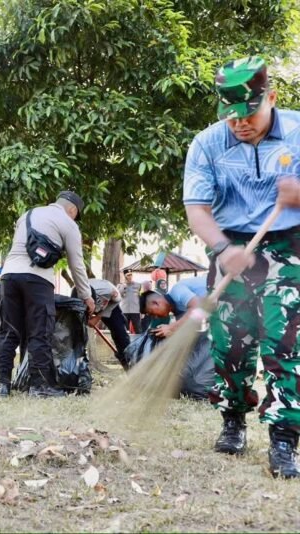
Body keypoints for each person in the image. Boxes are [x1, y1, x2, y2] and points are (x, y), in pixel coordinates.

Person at [183, 56, 300, 477]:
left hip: (289, 243)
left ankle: (285, 438)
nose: (239, 124)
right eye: (230, 117)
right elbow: (197, 208)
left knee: (284, 339)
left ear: (270, 97)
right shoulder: (207, 143)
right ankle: (233, 420)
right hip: (229, 241)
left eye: (248, 113)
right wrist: (220, 247)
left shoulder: (298, 133)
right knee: (229, 340)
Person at [0, 191, 95, 398]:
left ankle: (3, 384)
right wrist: (86, 296)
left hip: (9, 276)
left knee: (8, 330)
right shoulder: (69, 224)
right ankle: (39, 386)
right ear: (72, 210)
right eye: (76, 214)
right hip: (38, 280)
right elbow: (77, 266)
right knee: (39, 332)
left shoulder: (27, 215)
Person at [84, 278, 130, 370]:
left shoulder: (108, 292)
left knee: (120, 334)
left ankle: (129, 364)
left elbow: (117, 300)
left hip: (111, 305)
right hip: (92, 302)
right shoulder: (76, 295)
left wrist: (98, 317)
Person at [139, 275, 207, 337]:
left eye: (152, 313)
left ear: (156, 303)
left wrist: (170, 327)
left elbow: (197, 306)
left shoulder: (177, 290)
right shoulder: (177, 311)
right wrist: (170, 333)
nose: (156, 317)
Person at [117, 269, 142, 333]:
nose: (130, 277)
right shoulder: (120, 285)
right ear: (124, 276)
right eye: (128, 275)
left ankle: (139, 342)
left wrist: (142, 310)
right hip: (124, 310)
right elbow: (119, 294)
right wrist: (124, 285)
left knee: (138, 329)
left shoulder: (138, 285)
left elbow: (140, 297)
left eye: (131, 275)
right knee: (125, 329)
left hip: (135, 310)